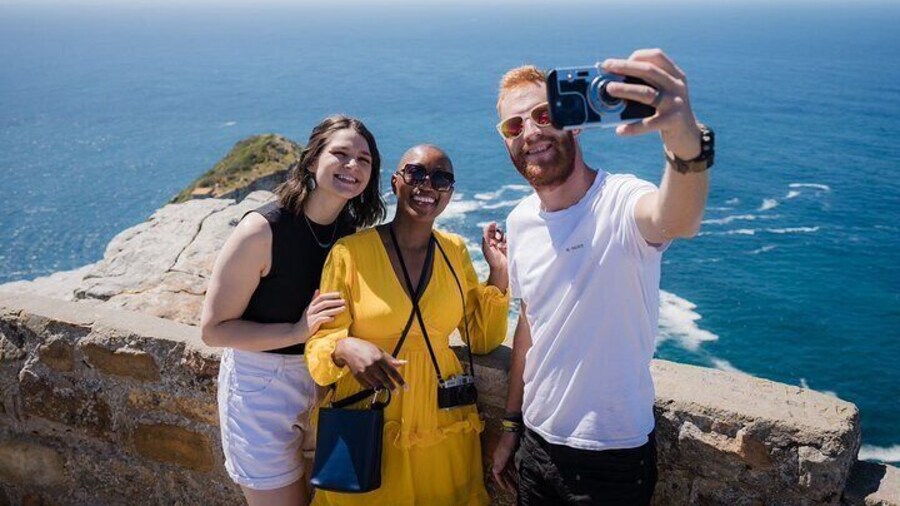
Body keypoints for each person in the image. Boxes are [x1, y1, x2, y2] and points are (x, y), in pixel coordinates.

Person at [490, 49, 712, 505]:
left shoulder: (622, 200)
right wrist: (511, 427)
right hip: (536, 446)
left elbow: (678, 219)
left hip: (613, 458)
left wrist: (684, 138)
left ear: (572, 121)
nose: (530, 132)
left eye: (543, 114)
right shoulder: (519, 221)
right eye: (515, 126)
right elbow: (531, 324)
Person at [305, 144, 510, 506]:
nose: (427, 185)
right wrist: (344, 347)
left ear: (450, 191)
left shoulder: (454, 250)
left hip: (442, 424)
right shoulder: (350, 253)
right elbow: (320, 344)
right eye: (415, 173)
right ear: (395, 182)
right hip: (370, 418)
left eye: (441, 178)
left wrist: (499, 272)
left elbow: (481, 338)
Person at [200, 115, 386, 506]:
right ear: (312, 160)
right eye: (341, 154)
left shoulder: (351, 235)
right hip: (260, 388)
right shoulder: (262, 230)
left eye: (364, 159)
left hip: (324, 383)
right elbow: (214, 329)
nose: (353, 166)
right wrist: (297, 331)